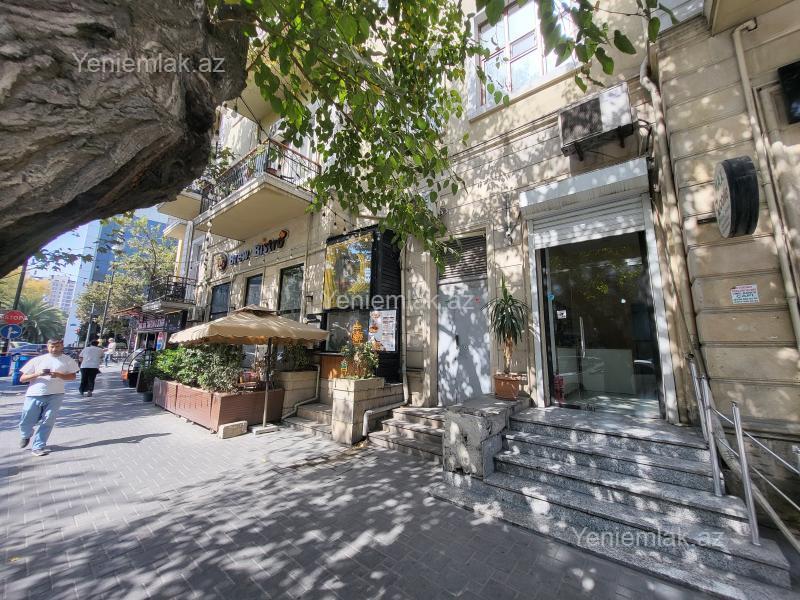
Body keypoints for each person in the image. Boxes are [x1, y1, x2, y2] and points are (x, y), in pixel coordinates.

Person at [18, 338, 79, 456]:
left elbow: (72, 377)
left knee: (48, 420)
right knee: (27, 418)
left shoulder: (68, 360)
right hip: (34, 394)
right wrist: (38, 374)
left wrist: (58, 375)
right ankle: (25, 435)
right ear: (47, 346)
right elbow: (22, 379)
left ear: (62, 346)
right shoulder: (38, 360)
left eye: (57, 346)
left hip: (56, 394)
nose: (54, 349)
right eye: (52, 346)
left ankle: (38, 446)